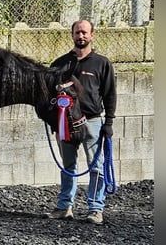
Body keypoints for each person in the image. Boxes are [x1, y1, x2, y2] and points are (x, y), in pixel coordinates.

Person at [44, 19, 117, 225]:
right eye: (77, 33)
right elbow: (49, 96)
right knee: (68, 166)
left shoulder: (102, 64)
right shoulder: (60, 64)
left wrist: (108, 123)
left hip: (93, 121)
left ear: (92, 35)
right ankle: (64, 206)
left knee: (97, 166)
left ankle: (95, 209)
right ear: (72, 35)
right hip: (65, 123)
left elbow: (110, 95)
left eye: (85, 32)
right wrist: (54, 125)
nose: (81, 36)